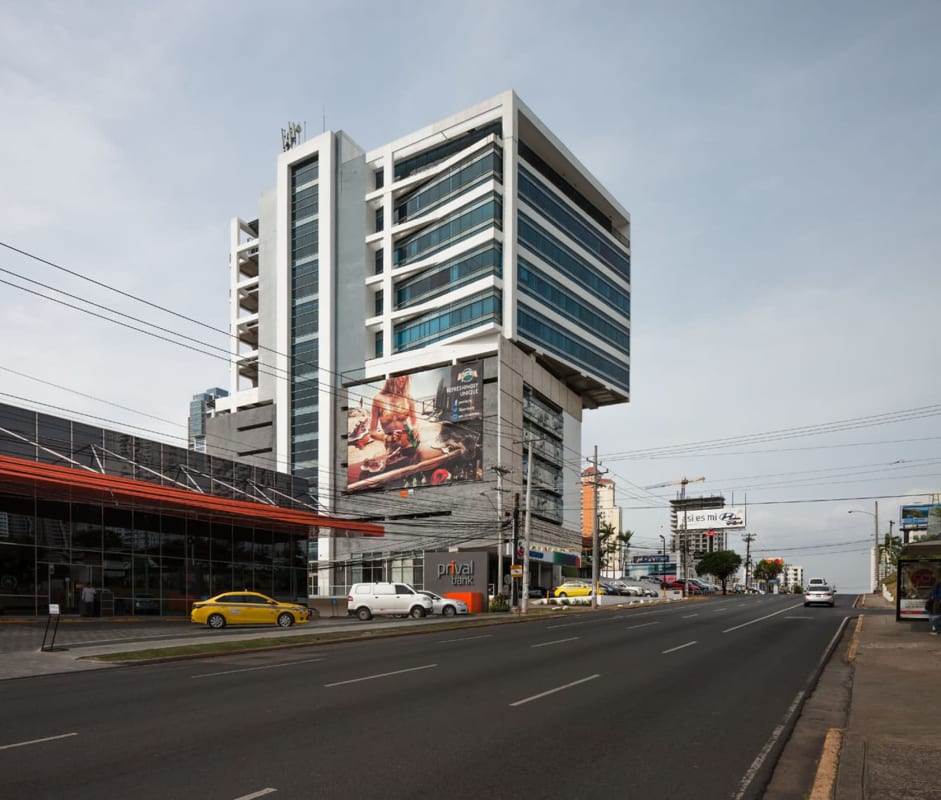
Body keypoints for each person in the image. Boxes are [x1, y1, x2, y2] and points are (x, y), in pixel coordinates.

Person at [369, 374, 419, 453]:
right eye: (401, 374)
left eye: (406, 375)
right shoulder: (378, 399)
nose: (403, 377)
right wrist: (387, 438)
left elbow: (414, 422)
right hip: (393, 449)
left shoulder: (408, 397)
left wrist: (415, 428)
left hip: (411, 443)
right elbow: (372, 432)